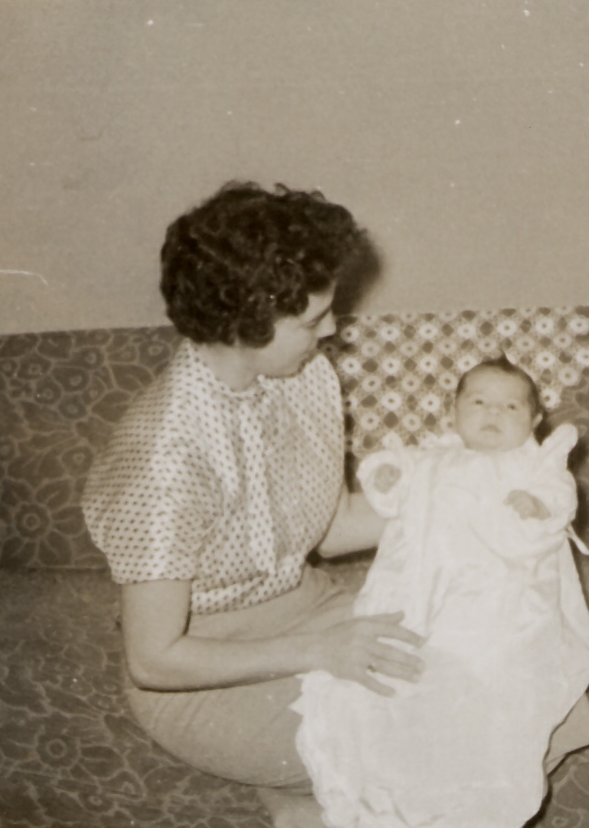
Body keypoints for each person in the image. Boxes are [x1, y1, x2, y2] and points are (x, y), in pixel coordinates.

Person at [81, 181, 423, 828]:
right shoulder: (163, 453)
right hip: (208, 671)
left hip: (305, 606)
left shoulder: (301, 378)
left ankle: (309, 802)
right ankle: (315, 795)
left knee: (484, 653)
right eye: (312, 321)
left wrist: (464, 503)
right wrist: (320, 652)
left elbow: (332, 525)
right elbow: (154, 660)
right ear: (245, 323)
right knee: (430, 731)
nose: (333, 331)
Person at [293, 357, 589, 828]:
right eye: (478, 402)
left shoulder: (535, 465)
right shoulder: (431, 459)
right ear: (453, 413)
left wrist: (537, 505)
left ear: (535, 421)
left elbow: (559, 502)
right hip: (424, 593)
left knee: (491, 684)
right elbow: (388, 476)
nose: (493, 414)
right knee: (402, 686)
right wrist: (388, 478)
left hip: (499, 602)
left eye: (511, 406)